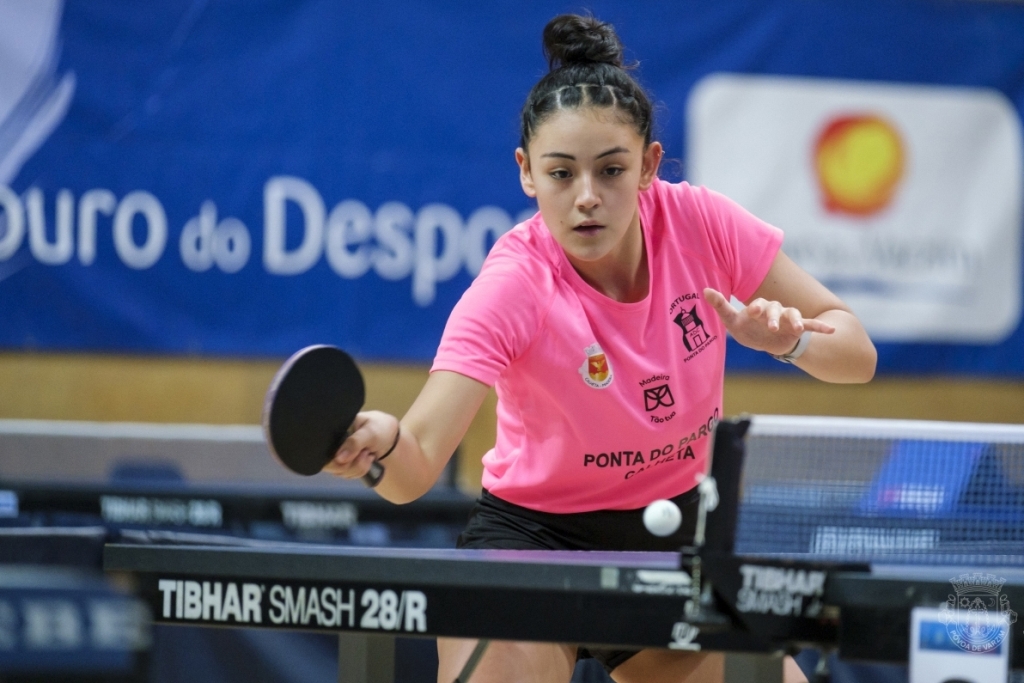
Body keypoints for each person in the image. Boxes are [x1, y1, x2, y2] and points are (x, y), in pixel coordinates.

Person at [324, 13, 877, 683]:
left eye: (610, 169)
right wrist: (381, 441)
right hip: (532, 543)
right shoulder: (512, 286)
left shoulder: (702, 224)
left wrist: (792, 341)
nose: (586, 198)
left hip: (673, 540)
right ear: (527, 173)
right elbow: (414, 468)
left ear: (647, 164)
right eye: (561, 174)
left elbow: (856, 353)